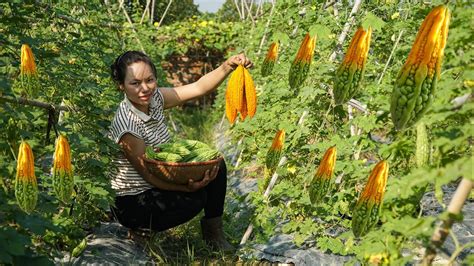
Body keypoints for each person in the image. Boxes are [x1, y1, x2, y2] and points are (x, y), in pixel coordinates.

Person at [108, 50, 252, 251]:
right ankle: (140, 230)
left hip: (156, 184)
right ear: (121, 85)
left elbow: (198, 87)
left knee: (216, 166)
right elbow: (147, 174)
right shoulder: (127, 125)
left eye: (150, 80)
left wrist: (227, 66)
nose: (144, 88)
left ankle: (214, 236)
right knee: (195, 199)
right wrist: (186, 188)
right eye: (135, 83)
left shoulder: (155, 98)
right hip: (133, 201)